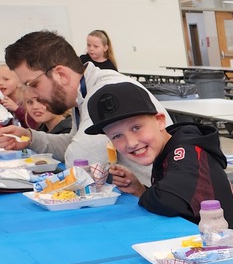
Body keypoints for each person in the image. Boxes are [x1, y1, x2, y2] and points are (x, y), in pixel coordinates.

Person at [0, 30, 169, 183]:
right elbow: (74, 143)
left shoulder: (105, 93)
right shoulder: (83, 93)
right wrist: (31, 138)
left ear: (61, 74)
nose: (32, 94)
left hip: (161, 201)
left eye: (33, 84)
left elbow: (82, 163)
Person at [86, 82, 233, 226]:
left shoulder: (186, 151)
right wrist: (139, 189)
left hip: (224, 247)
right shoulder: (167, 149)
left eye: (136, 127)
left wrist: (147, 194)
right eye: (117, 136)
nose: (131, 143)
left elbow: (169, 201)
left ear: (160, 121)